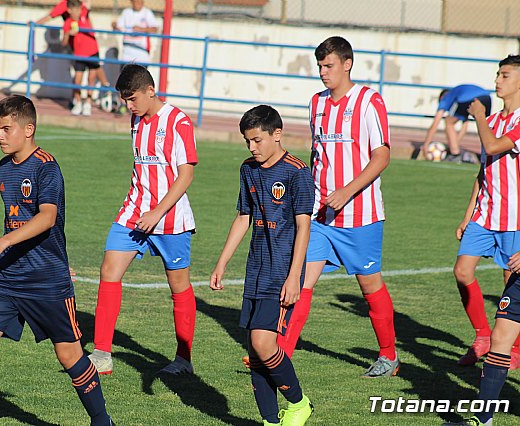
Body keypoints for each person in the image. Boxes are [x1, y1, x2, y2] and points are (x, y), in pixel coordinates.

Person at [0, 95, 113, 426]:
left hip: (46, 281)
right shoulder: (4, 167)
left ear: (28, 129)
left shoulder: (46, 167)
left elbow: (47, 218)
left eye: (6, 129)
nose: (0, 136)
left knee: (69, 355)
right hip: (7, 279)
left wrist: (0, 243)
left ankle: (103, 422)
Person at [269, 36, 398, 378]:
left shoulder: (369, 101)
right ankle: (281, 355)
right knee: (299, 279)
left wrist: (347, 190)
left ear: (347, 64)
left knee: (369, 285)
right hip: (320, 215)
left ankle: (389, 355)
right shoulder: (316, 103)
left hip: (361, 215)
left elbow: (382, 155)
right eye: (320, 67)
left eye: (329, 66)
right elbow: (318, 155)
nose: (323, 73)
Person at [90, 64, 197, 376]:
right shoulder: (136, 119)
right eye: (124, 100)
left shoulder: (178, 121)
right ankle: (101, 354)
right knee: (109, 269)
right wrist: (144, 210)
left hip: (170, 217)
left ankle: (183, 360)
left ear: (151, 91)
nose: (128, 105)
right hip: (134, 212)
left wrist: (158, 212)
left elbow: (186, 173)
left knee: (178, 285)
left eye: (132, 98)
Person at [210, 105, 314, 426]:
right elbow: (244, 216)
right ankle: (270, 420)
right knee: (255, 354)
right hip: (255, 271)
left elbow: (303, 226)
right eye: (247, 142)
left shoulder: (296, 172)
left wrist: (295, 276)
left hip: (282, 272)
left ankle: (298, 404)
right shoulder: (248, 169)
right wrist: (222, 262)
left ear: (276, 134)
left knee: (263, 343)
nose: (252, 148)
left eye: (257, 140)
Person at [441, 55, 520, 426]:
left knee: (511, 286)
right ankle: (482, 337)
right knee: (462, 270)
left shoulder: (516, 120)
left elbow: (491, 147)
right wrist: (468, 212)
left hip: (514, 220)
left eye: (505, 75)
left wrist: (478, 116)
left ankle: (510, 348)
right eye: (498, 74)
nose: (498, 80)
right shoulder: (499, 119)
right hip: (486, 216)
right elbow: (484, 169)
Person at [61, 0, 110, 116]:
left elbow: (88, 4)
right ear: (69, 10)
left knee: (91, 78)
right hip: (79, 54)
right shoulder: (68, 22)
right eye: (75, 10)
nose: (78, 12)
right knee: (77, 80)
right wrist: (68, 34)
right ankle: (78, 102)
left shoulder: (84, 15)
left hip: (92, 51)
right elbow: (63, 43)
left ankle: (88, 103)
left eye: (79, 9)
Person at [422, 84, 491, 161]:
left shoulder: (446, 97)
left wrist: (426, 145)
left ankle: (455, 154)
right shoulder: (458, 92)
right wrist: (454, 143)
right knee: (486, 126)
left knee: (449, 122)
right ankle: (490, 153)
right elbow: (465, 125)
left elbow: (435, 124)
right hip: (487, 97)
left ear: (441, 97)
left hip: (467, 99)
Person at [112, 0, 159, 66]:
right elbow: (119, 28)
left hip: (141, 51)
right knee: (125, 74)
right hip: (127, 51)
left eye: (140, 2)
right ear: (132, 2)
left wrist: (141, 29)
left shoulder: (147, 13)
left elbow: (155, 29)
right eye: (136, 2)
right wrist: (114, 26)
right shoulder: (126, 12)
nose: (138, 4)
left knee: (141, 75)